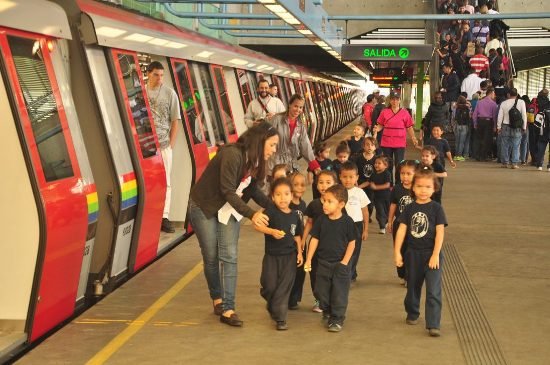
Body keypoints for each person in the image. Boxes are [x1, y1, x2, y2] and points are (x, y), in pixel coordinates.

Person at [188, 122, 277, 327]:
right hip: (205, 206)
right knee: (211, 256)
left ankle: (228, 309)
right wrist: (252, 215)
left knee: (229, 255)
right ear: (260, 141)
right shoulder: (233, 154)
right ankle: (217, 298)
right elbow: (228, 190)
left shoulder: (256, 162)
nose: (273, 151)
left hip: (229, 209)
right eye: (272, 145)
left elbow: (253, 190)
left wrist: (275, 208)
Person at [394, 167, 448, 337]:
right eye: (419, 186)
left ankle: (433, 323)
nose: (423, 191)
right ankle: (412, 311)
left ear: (434, 189)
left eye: (427, 187)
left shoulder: (437, 209)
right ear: (413, 188)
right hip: (413, 254)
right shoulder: (409, 208)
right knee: (413, 287)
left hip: (432, 255)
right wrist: (397, 252)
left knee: (433, 290)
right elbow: (401, 230)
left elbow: (440, 232)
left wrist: (435, 254)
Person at [304, 184, 356, 333]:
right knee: (321, 292)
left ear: (341, 204)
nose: (325, 204)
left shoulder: (347, 222)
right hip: (323, 263)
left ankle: (337, 319)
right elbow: (314, 239)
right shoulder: (321, 220)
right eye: (324, 201)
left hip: (340, 265)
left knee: (339, 293)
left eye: (329, 201)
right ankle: (327, 310)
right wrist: (309, 259)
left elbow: (352, 243)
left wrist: (345, 262)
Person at [254, 177, 303, 331]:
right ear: (273, 197)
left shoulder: (295, 215)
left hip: (289, 256)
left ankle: (280, 319)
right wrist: (272, 232)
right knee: (268, 285)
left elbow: (297, 236)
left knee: (283, 287)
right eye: (278, 195)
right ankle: (272, 302)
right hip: (271, 256)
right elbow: (257, 226)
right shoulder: (271, 212)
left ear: (292, 195)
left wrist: (300, 253)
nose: (283, 198)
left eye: (286, 194)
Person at [146, 61, 181, 233]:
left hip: (164, 144)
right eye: (156, 75)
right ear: (148, 74)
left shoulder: (170, 93)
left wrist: (170, 145)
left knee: (166, 181)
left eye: (161, 75)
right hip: (145, 145)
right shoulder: (141, 93)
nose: (159, 79)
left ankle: (164, 216)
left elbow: (175, 121)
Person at [302, 170, 338, 313]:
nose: (324, 186)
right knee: (315, 274)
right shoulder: (314, 205)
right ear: (316, 185)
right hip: (315, 246)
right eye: (321, 182)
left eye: (328, 182)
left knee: (331, 275)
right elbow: (309, 223)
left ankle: (331, 299)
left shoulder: (339, 205)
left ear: (335, 184)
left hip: (333, 247)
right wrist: (304, 240)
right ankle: (318, 300)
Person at [374, 93, 418, 184]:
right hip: (386, 142)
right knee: (387, 164)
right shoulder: (384, 112)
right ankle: (389, 183)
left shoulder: (405, 112)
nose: (395, 101)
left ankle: (398, 184)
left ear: (399, 100)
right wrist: (376, 130)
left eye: (397, 99)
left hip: (400, 142)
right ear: (390, 101)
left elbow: (409, 127)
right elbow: (381, 125)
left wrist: (413, 138)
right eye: (393, 99)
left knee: (399, 164)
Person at [387, 160, 418, 285]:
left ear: (416, 174)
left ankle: (409, 276)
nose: (405, 176)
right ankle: (402, 272)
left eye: (408, 174)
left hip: (414, 227)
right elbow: (393, 205)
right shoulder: (397, 188)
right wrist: (389, 221)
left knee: (411, 251)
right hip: (399, 225)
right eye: (402, 173)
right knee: (399, 249)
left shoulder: (418, 189)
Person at [339, 161, 370, 282]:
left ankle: (350, 273)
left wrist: (365, 229)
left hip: (356, 225)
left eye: (351, 177)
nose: (348, 180)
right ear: (340, 177)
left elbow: (365, 212)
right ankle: (348, 271)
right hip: (341, 225)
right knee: (343, 249)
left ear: (357, 177)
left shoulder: (359, 192)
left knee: (355, 251)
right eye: (345, 177)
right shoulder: (338, 192)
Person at [269, 94, 315, 173]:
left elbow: (305, 145)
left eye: (301, 107)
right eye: (295, 106)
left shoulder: (300, 125)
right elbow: (266, 140)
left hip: (291, 165)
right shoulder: (276, 119)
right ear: (289, 105)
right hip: (275, 165)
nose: (298, 110)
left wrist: (314, 165)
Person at [288, 172, 308, 310]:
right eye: (296, 185)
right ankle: (285, 296)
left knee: (300, 272)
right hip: (288, 244)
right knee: (288, 271)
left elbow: (304, 223)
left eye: (302, 185)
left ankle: (294, 298)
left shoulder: (303, 204)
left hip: (301, 243)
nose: (300, 188)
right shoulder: (287, 204)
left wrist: (304, 240)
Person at [497, 88, 527, 169]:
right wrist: (524, 127)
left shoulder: (503, 103)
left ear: (508, 95)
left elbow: (500, 116)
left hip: (505, 126)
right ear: (517, 95)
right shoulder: (521, 102)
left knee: (505, 145)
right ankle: (514, 163)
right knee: (516, 145)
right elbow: (524, 115)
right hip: (517, 127)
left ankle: (505, 163)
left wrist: (499, 127)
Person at [354, 136, 378, 223]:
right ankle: (360, 216)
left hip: (370, 185)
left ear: (375, 147)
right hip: (358, 183)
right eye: (367, 145)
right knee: (358, 201)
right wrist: (355, 182)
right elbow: (354, 170)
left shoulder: (376, 160)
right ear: (363, 146)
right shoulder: (358, 158)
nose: (370, 147)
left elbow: (376, 174)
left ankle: (368, 215)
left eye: (372, 145)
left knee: (370, 203)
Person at [472, 87, 498, 161]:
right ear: (491, 93)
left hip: (480, 121)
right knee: (487, 140)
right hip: (488, 122)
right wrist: (495, 126)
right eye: (494, 93)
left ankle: (477, 155)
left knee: (479, 139)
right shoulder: (493, 104)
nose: (494, 95)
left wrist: (475, 123)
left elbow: (474, 115)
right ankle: (483, 156)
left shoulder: (479, 102)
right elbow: (494, 116)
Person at [370, 155, 392, 234]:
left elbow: (387, 185)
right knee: (380, 212)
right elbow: (370, 182)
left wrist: (376, 187)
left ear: (385, 165)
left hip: (387, 197)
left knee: (387, 211)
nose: (376, 165)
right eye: (375, 163)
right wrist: (359, 186)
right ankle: (382, 227)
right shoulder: (373, 174)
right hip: (377, 198)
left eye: (379, 163)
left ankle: (386, 222)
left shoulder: (387, 174)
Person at [453, 96, 472, 161]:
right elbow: (469, 117)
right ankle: (460, 155)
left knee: (457, 141)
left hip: (457, 125)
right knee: (462, 142)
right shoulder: (467, 108)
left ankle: (456, 155)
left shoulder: (456, 108)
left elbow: (453, 117)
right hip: (464, 126)